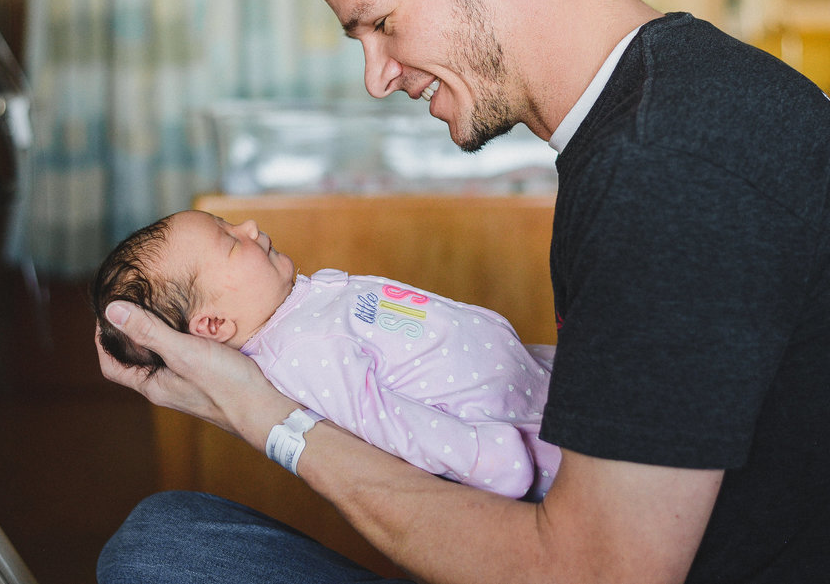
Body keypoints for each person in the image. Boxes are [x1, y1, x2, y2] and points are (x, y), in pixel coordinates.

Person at [95, 0, 830, 583]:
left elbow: (590, 572)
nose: (376, 77)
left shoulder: (669, 166)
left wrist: (265, 414)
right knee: (173, 533)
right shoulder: (697, 89)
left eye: (381, 24)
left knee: (161, 553)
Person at [92, 209, 560, 500]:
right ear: (214, 325)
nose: (249, 226)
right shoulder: (300, 354)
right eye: (231, 241)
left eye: (228, 224)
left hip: (534, 374)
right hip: (518, 436)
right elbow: (386, 426)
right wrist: (482, 457)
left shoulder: (296, 310)